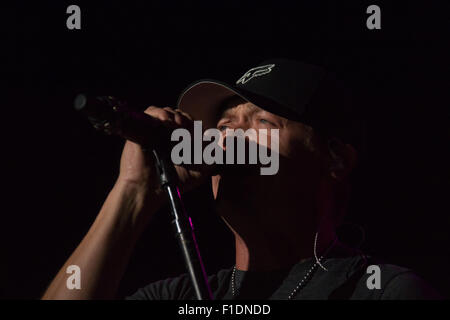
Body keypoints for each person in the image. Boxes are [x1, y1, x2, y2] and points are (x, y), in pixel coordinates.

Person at [42, 59, 441, 300]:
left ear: (334, 158)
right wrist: (131, 192)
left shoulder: (382, 291)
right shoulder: (180, 295)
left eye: (262, 122)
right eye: (224, 125)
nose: (229, 138)